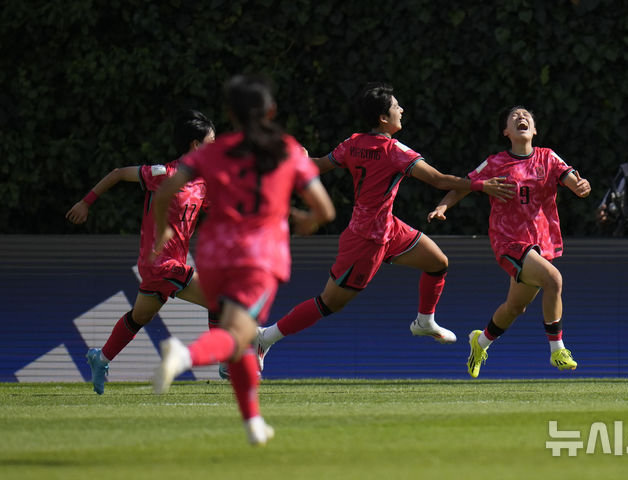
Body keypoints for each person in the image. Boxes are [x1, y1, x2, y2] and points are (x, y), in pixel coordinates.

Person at [254, 82, 515, 370]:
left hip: (388, 227)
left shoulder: (352, 143)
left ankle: (424, 321)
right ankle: (265, 337)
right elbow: (438, 180)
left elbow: (320, 165)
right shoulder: (393, 150)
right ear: (383, 118)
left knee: (437, 262)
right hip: (366, 239)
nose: (401, 110)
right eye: (396, 107)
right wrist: (481, 185)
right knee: (329, 302)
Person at [150, 74, 335, 446]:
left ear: (230, 114)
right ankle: (183, 355)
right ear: (270, 110)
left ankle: (253, 423)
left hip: (214, 256)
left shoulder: (210, 152)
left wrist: (162, 233)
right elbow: (325, 211)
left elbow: (165, 191)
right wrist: (303, 220)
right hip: (258, 259)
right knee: (236, 336)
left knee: (241, 338)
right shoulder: (285, 149)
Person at [427, 106, 591, 377]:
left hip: (538, 243)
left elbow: (574, 181)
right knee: (554, 279)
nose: (521, 118)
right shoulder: (495, 163)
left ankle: (479, 343)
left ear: (535, 129)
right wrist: (443, 206)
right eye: (514, 117)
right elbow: (464, 185)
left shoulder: (547, 157)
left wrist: (581, 187)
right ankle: (557, 350)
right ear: (506, 131)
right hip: (508, 241)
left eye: (526, 115)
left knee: (515, 307)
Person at [66, 109, 217, 394]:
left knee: (140, 317)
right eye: (212, 141)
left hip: (166, 267)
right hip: (162, 264)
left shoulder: (203, 185)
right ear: (196, 146)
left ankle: (101, 357)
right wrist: (86, 202)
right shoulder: (163, 174)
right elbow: (118, 174)